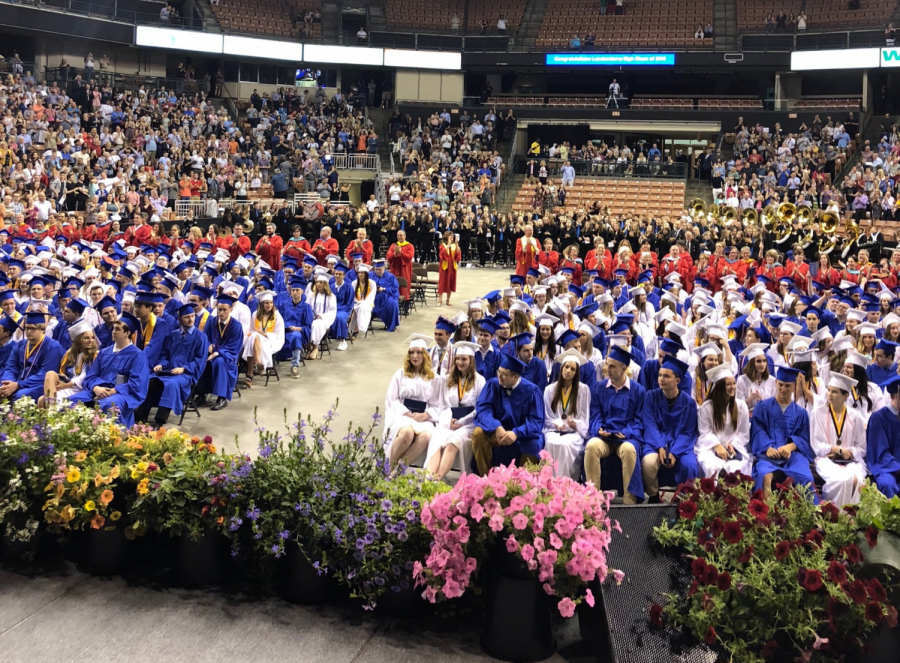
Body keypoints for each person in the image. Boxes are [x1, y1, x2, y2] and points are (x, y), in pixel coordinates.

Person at [584, 345, 645, 503]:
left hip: (626, 437)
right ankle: (593, 498)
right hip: (605, 438)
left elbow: (639, 420)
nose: (607, 369)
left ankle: (629, 499)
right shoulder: (599, 387)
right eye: (606, 365)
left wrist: (627, 433)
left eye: (612, 366)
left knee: (629, 450)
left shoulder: (638, 390)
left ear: (624, 368)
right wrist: (598, 429)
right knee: (591, 446)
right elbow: (595, 414)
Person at [67, 314, 150, 428]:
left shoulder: (137, 355)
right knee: (72, 401)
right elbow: (91, 377)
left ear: (127, 333)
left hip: (121, 394)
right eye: (113, 328)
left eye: (118, 329)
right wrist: (96, 388)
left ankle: (112, 439)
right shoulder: (104, 352)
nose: (113, 332)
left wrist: (113, 391)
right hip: (98, 390)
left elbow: (137, 383)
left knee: (109, 405)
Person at [472, 353, 545, 476]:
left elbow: (536, 421)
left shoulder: (532, 391)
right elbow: (483, 409)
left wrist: (516, 433)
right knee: (478, 433)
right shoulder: (492, 385)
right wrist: (496, 426)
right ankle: (486, 479)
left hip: (521, 435)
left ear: (515, 377)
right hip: (497, 432)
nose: (499, 376)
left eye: (504, 374)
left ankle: (522, 485)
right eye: (499, 372)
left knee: (535, 443)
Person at [136, 304, 207, 427]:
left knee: (170, 385)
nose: (191, 320)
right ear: (180, 319)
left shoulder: (201, 337)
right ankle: (140, 417)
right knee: (150, 381)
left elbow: (200, 360)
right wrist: (161, 365)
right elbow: (165, 355)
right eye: (186, 317)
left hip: (185, 374)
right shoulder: (173, 335)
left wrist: (183, 369)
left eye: (192, 316)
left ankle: (159, 421)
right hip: (167, 371)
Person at [750, 366, 817, 498]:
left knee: (807, 479)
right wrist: (767, 447)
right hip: (768, 455)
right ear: (775, 383)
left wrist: (790, 446)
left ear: (794, 387)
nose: (783, 389)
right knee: (765, 475)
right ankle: (767, 515)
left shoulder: (801, 413)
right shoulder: (763, 407)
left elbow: (804, 438)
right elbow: (758, 431)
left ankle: (807, 515)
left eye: (787, 386)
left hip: (793, 457)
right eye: (780, 385)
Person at [640, 356, 699, 503]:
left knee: (689, 465)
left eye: (666, 376)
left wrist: (674, 452)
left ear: (677, 381)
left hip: (681, 446)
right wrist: (660, 446)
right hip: (654, 444)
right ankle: (653, 497)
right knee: (648, 463)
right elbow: (650, 425)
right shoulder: (650, 397)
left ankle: (685, 500)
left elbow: (688, 432)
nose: (661, 379)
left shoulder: (689, 403)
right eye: (660, 375)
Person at [425, 341, 486, 481]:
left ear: (471, 360)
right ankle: (428, 478)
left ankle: (437, 480)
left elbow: (480, 407)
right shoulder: (448, 379)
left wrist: (462, 421)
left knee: (452, 443)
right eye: (457, 359)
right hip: (449, 422)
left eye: (464, 359)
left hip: (469, 424)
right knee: (436, 440)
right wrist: (448, 421)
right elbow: (441, 404)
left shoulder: (480, 381)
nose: (460, 362)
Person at [811, 373, 867, 506]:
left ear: (846, 396)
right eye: (829, 390)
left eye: (835, 392)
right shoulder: (817, 413)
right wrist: (838, 450)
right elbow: (816, 444)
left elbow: (862, 446)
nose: (829, 394)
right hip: (826, 459)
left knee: (857, 481)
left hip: (850, 460)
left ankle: (853, 517)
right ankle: (834, 513)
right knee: (842, 480)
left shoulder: (855, 416)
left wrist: (849, 452)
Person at [385, 335, 438, 465]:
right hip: (402, 415)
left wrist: (426, 415)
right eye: (412, 352)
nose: (415, 356)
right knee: (407, 433)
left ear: (425, 355)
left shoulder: (434, 378)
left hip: (423, 418)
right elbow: (392, 399)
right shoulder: (400, 374)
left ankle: (398, 470)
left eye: (419, 352)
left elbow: (437, 403)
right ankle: (388, 467)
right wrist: (406, 413)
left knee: (425, 436)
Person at [696, 364, 753, 478]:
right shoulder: (707, 408)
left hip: (733, 448)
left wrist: (733, 444)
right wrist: (717, 445)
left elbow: (743, 433)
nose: (733, 387)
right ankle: (712, 495)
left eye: (734, 383)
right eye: (728, 384)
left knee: (736, 468)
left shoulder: (741, 406)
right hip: (710, 448)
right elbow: (705, 433)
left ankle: (734, 496)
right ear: (720, 387)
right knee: (711, 467)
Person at [542, 349, 591, 479]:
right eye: (566, 367)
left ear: (576, 373)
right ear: (561, 368)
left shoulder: (583, 389)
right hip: (554, 430)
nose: (568, 371)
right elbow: (547, 416)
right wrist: (556, 423)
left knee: (565, 445)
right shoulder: (549, 390)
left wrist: (576, 424)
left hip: (574, 433)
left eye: (572, 369)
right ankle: (549, 482)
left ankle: (566, 483)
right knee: (552, 442)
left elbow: (585, 417)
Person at [0, 312, 65, 402]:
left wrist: (18, 385)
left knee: (21, 396)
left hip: (38, 384)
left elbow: (44, 374)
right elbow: (11, 367)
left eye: (33, 329)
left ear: (42, 329)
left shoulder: (53, 346)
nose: (29, 332)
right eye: (27, 328)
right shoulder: (21, 345)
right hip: (16, 382)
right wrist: (7, 383)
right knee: (2, 389)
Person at [195, 294, 243, 411]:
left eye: (224, 310)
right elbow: (205, 337)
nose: (221, 312)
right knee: (202, 361)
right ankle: (201, 394)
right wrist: (208, 346)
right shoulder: (211, 322)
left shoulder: (236, 326)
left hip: (227, 356)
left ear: (230, 309)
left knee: (219, 362)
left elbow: (234, 346)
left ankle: (222, 397)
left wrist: (218, 352)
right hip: (212, 353)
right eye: (219, 309)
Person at [39, 319, 97, 406]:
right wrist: (62, 382)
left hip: (81, 387)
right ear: (78, 339)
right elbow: (63, 372)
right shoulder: (70, 354)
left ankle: (51, 410)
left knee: (43, 400)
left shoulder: (94, 355)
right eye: (86, 338)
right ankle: (51, 408)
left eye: (92, 337)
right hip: (68, 383)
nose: (91, 340)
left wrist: (65, 385)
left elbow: (85, 376)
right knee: (50, 374)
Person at [241, 291, 284, 386]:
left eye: (271, 303)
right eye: (266, 303)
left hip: (271, 341)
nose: (269, 305)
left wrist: (262, 334)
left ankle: (250, 373)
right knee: (254, 337)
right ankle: (259, 363)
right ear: (261, 304)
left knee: (254, 338)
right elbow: (252, 330)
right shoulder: (255, 315)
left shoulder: (277, 317)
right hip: (256, 340)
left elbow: (279, 335)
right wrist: (256, 334)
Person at [867, 375, 900, 497]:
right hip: (886, 469)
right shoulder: (878, 418)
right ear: (896, 396)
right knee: (887, 485)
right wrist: (897, 468)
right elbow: (879, 453)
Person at [281, 277, 314, 377]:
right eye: (293, 290)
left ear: (302, 292)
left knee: (295, 336)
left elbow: (308, 327)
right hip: (284, 332)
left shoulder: (306, 307)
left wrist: (298, 329)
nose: (294, 292)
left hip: (298, 334)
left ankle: (295, 365)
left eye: (297, 290)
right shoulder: (284, 305)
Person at [306, 275, 337, 359]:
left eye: (321, 282)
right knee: (306, 325)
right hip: (312, 317)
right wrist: (311, 315)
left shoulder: (331, 297)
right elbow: (307, 307)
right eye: (317, 282)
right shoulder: (311, 295)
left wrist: (321, 316)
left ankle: (315, 347)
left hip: (324, 319)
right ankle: (309, 348)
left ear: (325, 284)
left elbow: (332, 311)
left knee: (316, 325)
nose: (318, 284)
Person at [371, 259, 400, 332]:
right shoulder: (371, 275)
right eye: (376, 269)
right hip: (374, 297)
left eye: (379, 269)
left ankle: (391, 325)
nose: (377, 271)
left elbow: (395, 287)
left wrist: (384, 289)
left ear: (384, 268)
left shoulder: (390, 276)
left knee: (392, 303)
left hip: (388, 295)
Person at [387, 229, 415, 301]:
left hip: (404, 269)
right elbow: (388, 256)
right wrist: (394, 254)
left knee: (403, 287)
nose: (399, 237)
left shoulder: (410, 246)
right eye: (398, 235)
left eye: (401, 235)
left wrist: (401, 252)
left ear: (405, 236)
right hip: (395, 269)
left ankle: (405, 304)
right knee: (394, 285)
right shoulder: (393, 245)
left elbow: (409, 257)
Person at [350, 264, 376, 338]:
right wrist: (358, 301)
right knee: (353, 309)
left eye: (362, 273)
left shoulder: (372, 283)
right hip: (356, 302)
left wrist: (363, 302)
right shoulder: (354, 283)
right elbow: (353, 295)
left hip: (368, 303)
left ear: (366, 274)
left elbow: (371, 296)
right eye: (359, 273)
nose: (360, 274)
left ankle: (356, 330)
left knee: (361, 307)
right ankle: (348, 330)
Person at [438, 231, 461, 307]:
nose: (452, 237)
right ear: (446, 236)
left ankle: (448, 300)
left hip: (452, 266)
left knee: (451, 283)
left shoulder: (454, 245)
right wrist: (448, 244)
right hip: (445, 267)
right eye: (450, 236)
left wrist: (456, 244)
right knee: (442, 283)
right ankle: (440, 301)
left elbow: (458, 253)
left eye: (452, 236)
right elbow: (442, 254)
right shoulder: (442, 245)